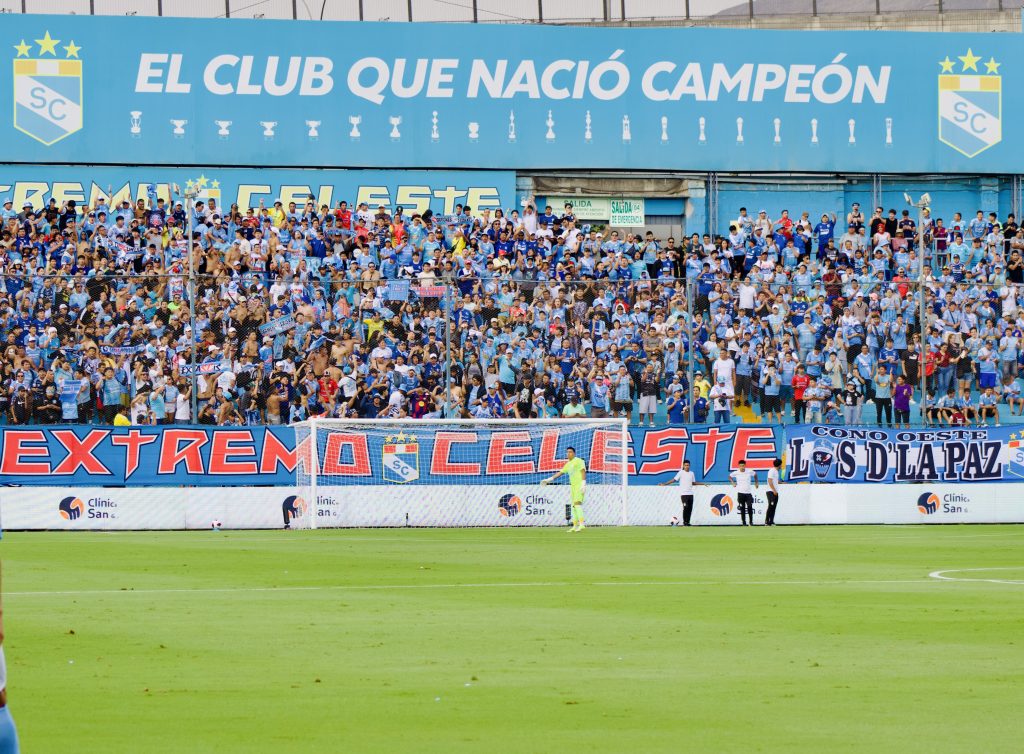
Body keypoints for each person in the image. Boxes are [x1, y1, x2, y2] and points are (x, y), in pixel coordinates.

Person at [542, 446, 587, 532]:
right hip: (573, 486)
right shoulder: (568, 464)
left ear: (574, 453)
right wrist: (549, 480)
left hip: (579, 485)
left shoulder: (579, 461)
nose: (568, 454)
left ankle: (581, 524)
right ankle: (575, 526)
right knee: (573, 506)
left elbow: (583, 471)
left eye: (570, 452)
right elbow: (560, 473)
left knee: (577, 504)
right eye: (567, 452)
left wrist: (583, 483)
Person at [658, 458, 698, 526]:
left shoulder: (692, 473)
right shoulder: (681, 472)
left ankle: (688, 522)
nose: (687, 466)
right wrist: (665, 484)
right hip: (684, 494)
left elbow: (693, 483)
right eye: (685, 465)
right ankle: (685, 522)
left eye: (688, 465)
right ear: (683, 466)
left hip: (691, 494)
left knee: (690, 509)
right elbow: (674, 479)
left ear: (689, 466)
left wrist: (702, 484)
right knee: (685, 507)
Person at [729, 459, 759, 526]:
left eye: (743, 466)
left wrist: (756, 483)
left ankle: (751, 522)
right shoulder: (736, 472)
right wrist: (733, 482)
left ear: (745, 465)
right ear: (739, 466)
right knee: (742, 508)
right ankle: (744, 522)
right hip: (740, 493)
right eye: (740, 466)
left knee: (750, 506)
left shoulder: (749, 471)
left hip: (748, 493)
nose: (742, 467)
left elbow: (755, 474)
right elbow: (730, 476)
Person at [765, 458, 782, 526]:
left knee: (774, 506)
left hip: (775, 492)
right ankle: (767, 521)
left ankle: (771, 521)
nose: (781, 466)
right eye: (781, 464)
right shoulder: (772, 471)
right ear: (779, 465)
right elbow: (770, 481)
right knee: (770, 506)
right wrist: (774, 490)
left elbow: (775, 481)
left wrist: (782, 483)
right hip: (770, 492)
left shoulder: (776, 471)